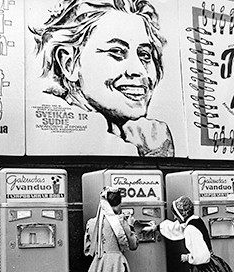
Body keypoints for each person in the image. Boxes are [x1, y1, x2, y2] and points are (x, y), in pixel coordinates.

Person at [30, 0, 174, 157]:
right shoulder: (62, 139)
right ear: (69, 63)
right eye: (117, 51)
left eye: (145, 55)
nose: (139, 71)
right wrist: (158, 154)